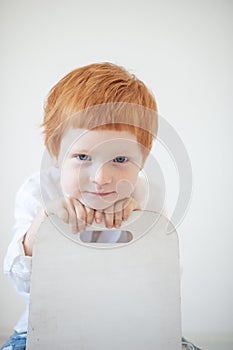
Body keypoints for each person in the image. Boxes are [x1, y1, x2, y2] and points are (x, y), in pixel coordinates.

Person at [1, 62, 201, 350]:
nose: (101, 179)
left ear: (142, 160)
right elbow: (21, 280)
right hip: (46, 326)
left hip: (131, 326)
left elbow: (164, 285)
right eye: (83, 157)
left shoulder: (146, 195)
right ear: (56, 153)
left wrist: (138, 225)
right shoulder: (38, 191)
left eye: (120, 160)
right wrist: (44, 224)